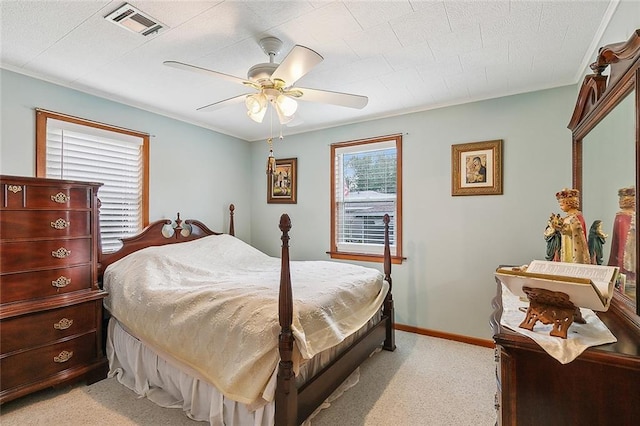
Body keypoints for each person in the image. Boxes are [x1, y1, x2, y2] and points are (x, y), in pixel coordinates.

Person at [548, 188, 591, 264]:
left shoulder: (575, 217)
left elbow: (573, 231)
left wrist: (560, 227)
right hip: (567, 244)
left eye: (561, 205)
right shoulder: (568, 217)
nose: (560, 207)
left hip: (575, 247)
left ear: (569, 204)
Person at [608, 187, 635, 282]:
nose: (621, 201)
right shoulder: (620, 216)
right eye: (621, 198)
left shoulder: (630, 216)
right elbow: (617, 242)